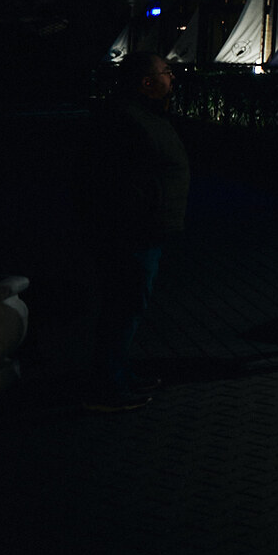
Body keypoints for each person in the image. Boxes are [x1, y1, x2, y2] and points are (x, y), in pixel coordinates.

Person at [80, 52, 190, 412]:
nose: (172, 77)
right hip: (132, 232)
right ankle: (107, 386)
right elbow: (112, 179)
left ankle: (119, 373)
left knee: (129, 305)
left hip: (145, 229)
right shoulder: (124, 118)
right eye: (166, 72)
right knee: (123, 306)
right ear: (146, 82)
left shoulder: (145, 114)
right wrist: (139, 216)